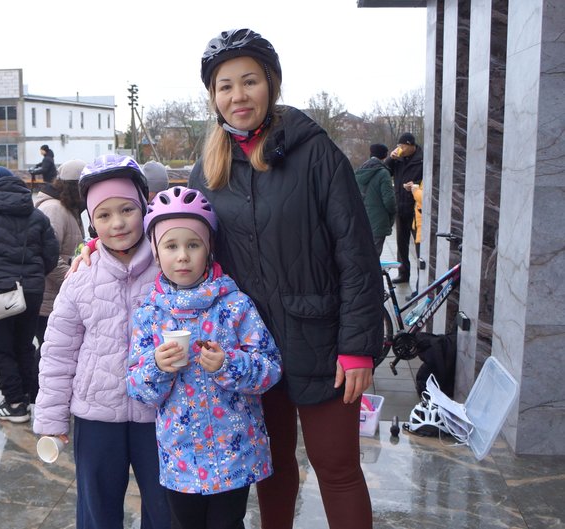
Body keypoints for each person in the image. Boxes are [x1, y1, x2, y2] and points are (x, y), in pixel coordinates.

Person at [188, 29, 383, 529]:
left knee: (337, 468)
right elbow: (177, 242)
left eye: (249, 81)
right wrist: (97, 248)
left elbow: (357, 254)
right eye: (225, 86)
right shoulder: (207, 169)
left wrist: (358, 347)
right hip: (250, 349)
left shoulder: (316, 154)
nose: (238, 95)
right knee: (271, 472)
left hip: (322, 341)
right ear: (213, 96)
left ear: (270, 85)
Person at [128, 185, 282, 529]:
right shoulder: (149, 314)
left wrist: (229, 365)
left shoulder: (235, 305)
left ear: (209, 248)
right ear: (156, 253)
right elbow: (137, 387)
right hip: (180, 455)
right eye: (171, 246)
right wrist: (158, 367)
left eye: (193, 245)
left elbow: (270, 368)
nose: (182, 256)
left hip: (235, 454)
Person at [32, 154, 170, 529]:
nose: (117, 223)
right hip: (96, 415)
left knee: (166, 510)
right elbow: (58, 353)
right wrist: (51, 418)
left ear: (144, 208)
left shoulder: (169, 268)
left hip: (159, 413)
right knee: (97, 511)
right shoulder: (82, 277)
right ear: (92, 221)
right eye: (104, 215)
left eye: (127, 209)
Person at [0, 166, 59, 421]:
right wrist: (33, 277)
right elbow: (51, 254)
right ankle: (26, 396)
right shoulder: (37, 216)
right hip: (33, 291)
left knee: (0, 349)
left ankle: (15, 403)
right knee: (24, 346)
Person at [32, 160, 85, 401]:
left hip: (60, 296)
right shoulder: (54, 210)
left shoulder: (69, 208)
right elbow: (47, 257)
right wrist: (75, 280)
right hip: (48, 300)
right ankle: (36, 396)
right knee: (49, 353)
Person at [384, 132, 423, 283]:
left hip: (415, 208)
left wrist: (414, 185)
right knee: (401, 244)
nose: (400, 148)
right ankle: (403, 274)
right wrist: (390, 158)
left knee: (419, 245)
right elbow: (385, 171)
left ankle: (422, 277)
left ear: (410, 145)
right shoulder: (398, 159)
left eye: (402, 146)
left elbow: (428, 180)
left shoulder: (422, 159)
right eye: (398, 146)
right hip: (400, 206)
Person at [355, 143, 396, 257]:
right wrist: (393, 212)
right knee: (374, 255)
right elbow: (389, 200)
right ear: (384, 155)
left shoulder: (360, 171)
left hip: (361, 218)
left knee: (363, 253)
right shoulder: (383, 173)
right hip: (378, 220)